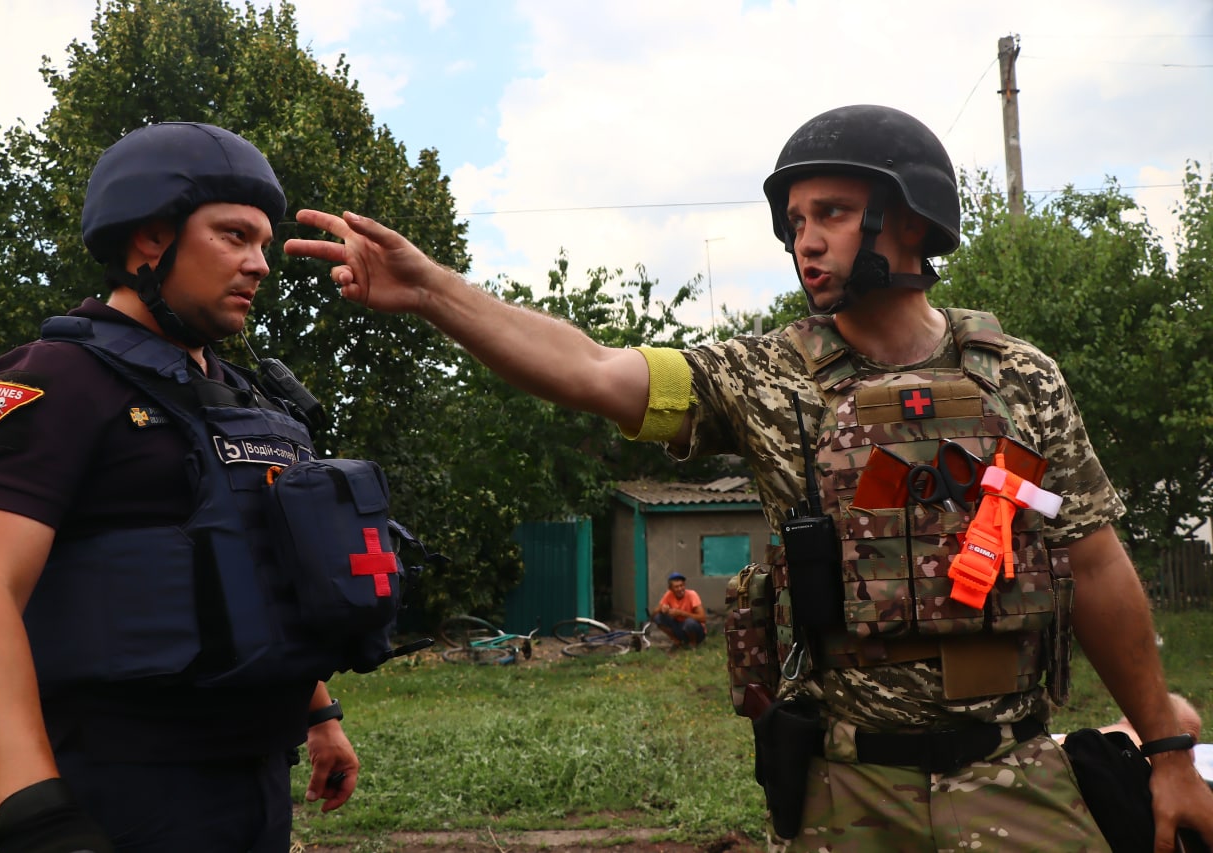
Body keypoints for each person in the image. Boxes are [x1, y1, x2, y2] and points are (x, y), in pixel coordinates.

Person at [283, 103, 1213, 850]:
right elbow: (593, 367)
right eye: (795, 221)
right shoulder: (760, 375)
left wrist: (1167, 747)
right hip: (849, 789)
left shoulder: (1021, 376)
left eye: (834, 214)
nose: (806, 241)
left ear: (915, 219)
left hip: (1016, 777)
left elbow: (1093, 562)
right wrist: (433, 290)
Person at [0, 122, 361, 852]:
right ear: (149, 242)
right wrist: (37, 811)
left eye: (263, 242)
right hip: (120, 787)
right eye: (232, 236)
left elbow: (255, 566)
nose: (259, 264)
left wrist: (321, 718)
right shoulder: (51, 379)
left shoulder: (252, 401)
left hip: (255, 778)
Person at [651, 572, 707, 648]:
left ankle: (693, 644)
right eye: (676, 587)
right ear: (670, 589)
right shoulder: (668, 594)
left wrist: (681, 613)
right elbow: (653, 615)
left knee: (689, 622)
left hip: (696, 631)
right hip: (679, 627)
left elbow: (703, 618)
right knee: (658, 617)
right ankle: (677, 641)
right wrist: (662, 609)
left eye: (682, 585)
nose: (680, 589)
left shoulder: (692, 594)